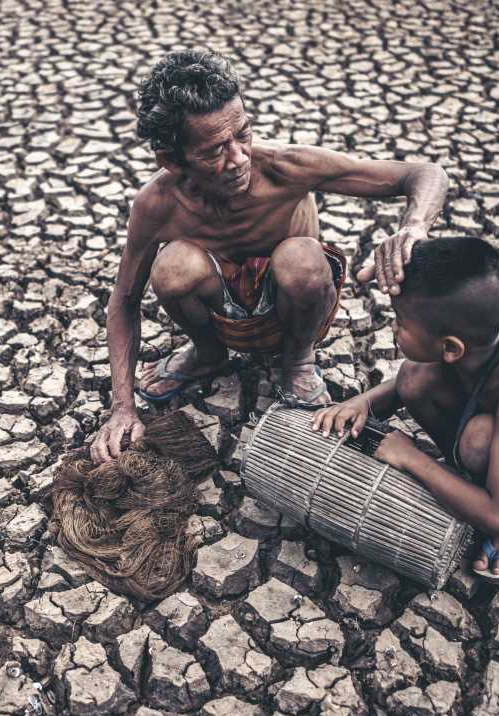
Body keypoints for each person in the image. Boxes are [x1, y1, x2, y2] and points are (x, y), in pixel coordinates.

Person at [91, 49, 449, 463]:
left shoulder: (285, 167)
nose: (239, 159)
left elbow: (424, 174)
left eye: (242, 134)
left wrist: (414, 226)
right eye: (214, 151)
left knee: (301, 256)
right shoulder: (157, 205)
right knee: (171, 267)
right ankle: (208, 354)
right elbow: (124, 300)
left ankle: (297, 360)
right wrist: (122, 407)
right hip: (220, 308)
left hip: (295, 304)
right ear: (171, 161)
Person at [311, 237, 499, 582]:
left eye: (401, 322)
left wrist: (410, 457)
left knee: (479, 440)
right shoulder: (477, 342)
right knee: (413, 378)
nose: (393, 328)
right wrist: (362, 402)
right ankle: (466, 479)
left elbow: (496, 516)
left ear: (451, 347)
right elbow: (400, 388)